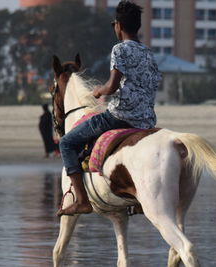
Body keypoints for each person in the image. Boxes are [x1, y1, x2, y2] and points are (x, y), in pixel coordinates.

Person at [57, 1, 161, 217]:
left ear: (119, 26)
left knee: (66, 143)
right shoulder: (148, 52)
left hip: (120, 116)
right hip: (146, 120)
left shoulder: (120, 49)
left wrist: (98, 91)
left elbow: (112, 86)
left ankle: (82, 200)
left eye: (114, 24)